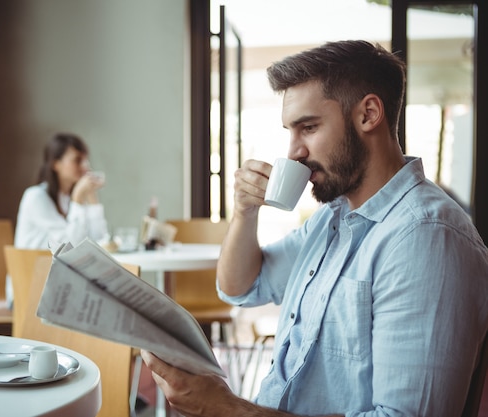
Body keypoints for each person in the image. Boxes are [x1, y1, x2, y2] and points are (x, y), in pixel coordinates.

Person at [140, 40, 488, 416]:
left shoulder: (426, 239)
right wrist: (245, 213)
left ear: (369, 114)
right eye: (291, 131)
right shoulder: (332, 218)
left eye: (308, 127)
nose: (293, 152)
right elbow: (240, 287)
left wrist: (227, 409)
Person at [8, 133, 108, 305]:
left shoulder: (68, 200)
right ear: (56, 164)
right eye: (77, 160)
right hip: (30, 289)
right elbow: (69, 248)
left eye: (85, 160)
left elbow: (100, 240)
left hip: (58, 286)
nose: (85, 167)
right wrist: (77, 198)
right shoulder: (35, 197)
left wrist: (91, 198)